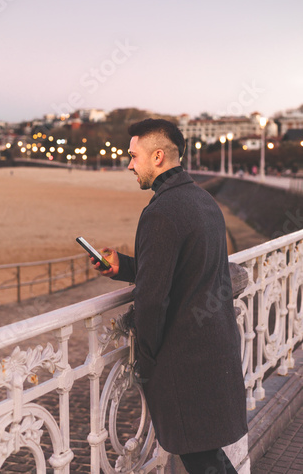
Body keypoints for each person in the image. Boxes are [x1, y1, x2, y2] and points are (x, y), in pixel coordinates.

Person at [91, 119, 248, 474]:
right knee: (208, 458)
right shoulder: (203, 200)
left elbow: (151, 300)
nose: (129, 164)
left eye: (133, 156)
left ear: (158, 156)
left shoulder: (161, 211)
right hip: (215, 354)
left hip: (185, 367)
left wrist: (147, 358)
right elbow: (186, 267)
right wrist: (124, 266)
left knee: (203, 461)